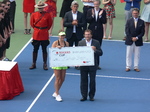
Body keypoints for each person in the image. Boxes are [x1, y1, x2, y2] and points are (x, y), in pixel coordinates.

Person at [78, 29, 103, 101]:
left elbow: (100, 53)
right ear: (84, 35)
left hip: (93, 65)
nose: (87, 36)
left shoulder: (96, 42)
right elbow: (78, 54)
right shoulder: (81, 43)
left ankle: (91, 96)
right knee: (83, 80)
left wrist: (95, 50)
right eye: (86, 34)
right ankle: (84, 96)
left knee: (92, 81)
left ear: (91, 35)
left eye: (88, 34)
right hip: (83, 65)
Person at [29, 0, 52, 70]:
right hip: (36, 34)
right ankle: (34, 63)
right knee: (35, 49)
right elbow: (32, 23)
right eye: (39, 8)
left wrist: (44, 29)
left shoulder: (47, 15)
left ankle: (45, 64)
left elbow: (49, 24)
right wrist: (37, 29)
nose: (40, 9)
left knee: (44, 49)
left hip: (44, 33)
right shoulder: (34, 14)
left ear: (43, 8)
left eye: (41, 8)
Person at [86, 0, 106, 69]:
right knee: (89, 47)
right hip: (91, 32)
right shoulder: (89, 11)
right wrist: (92, 15)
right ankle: (89, 62)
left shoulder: (103, 11)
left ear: (99, 4)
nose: (96, 6)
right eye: (95, 4)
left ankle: (97, 64)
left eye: (97, 4)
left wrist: (100, 16)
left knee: (97, 48)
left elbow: (104, 21)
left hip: (99, 32)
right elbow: (88, 20)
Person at [51, 31, 69, 102]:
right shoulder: (55, 43)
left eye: (63, 36)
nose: (62, 37)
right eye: (61, 36)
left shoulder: (66, 43)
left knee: (63, 78)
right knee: (58, 78)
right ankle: (57, 94)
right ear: (59, 36)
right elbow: (52, 51)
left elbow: (68, 52)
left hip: (64, 62)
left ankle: (56, 92)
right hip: (57, 62)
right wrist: (56, 48)